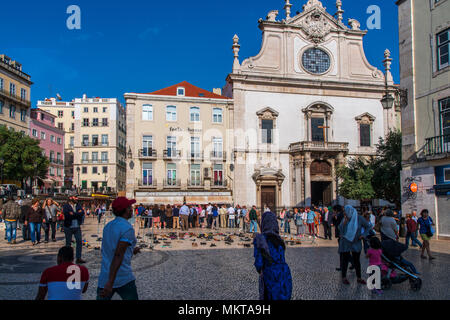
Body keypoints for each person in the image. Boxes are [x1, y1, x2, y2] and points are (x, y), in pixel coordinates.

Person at [97, 197, 140, 300]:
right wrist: (110, 283)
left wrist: (131, 250)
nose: (131, 209)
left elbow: (112, 248)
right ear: (125, 210)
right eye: (129, 207)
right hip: (122, 276)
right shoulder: (127, 228)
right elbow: (118, 255)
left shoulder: (108, 226)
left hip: (105, 274)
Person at [253, 210, 292, 300]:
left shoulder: (260, 239)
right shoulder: (279, 240)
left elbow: (258, 263)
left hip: (269, 274)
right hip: (284, 273)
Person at [338, 205, 372, 285]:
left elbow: (368, 226)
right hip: (346, 242)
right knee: (345, 260)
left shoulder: (359, 218)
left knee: (356, 260)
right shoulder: (345, 219)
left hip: (356, 242)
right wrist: (344, 224)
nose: (344, 213)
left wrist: (363, 235)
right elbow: (341, 230)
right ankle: (344, 277)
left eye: (345, 212)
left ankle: (359, 277)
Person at [62, 197, 86, 264]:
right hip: (68, 226)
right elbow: (67, 215)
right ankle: (67, 259)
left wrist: (73, 214)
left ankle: (78, 258)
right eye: (75, 197)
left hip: (77, 226)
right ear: (70, 198)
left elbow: (82, 213)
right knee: (68, 243)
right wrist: (77, 214)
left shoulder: (78, 205)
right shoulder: (66, 206)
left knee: (79, 242)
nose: (77, 198)